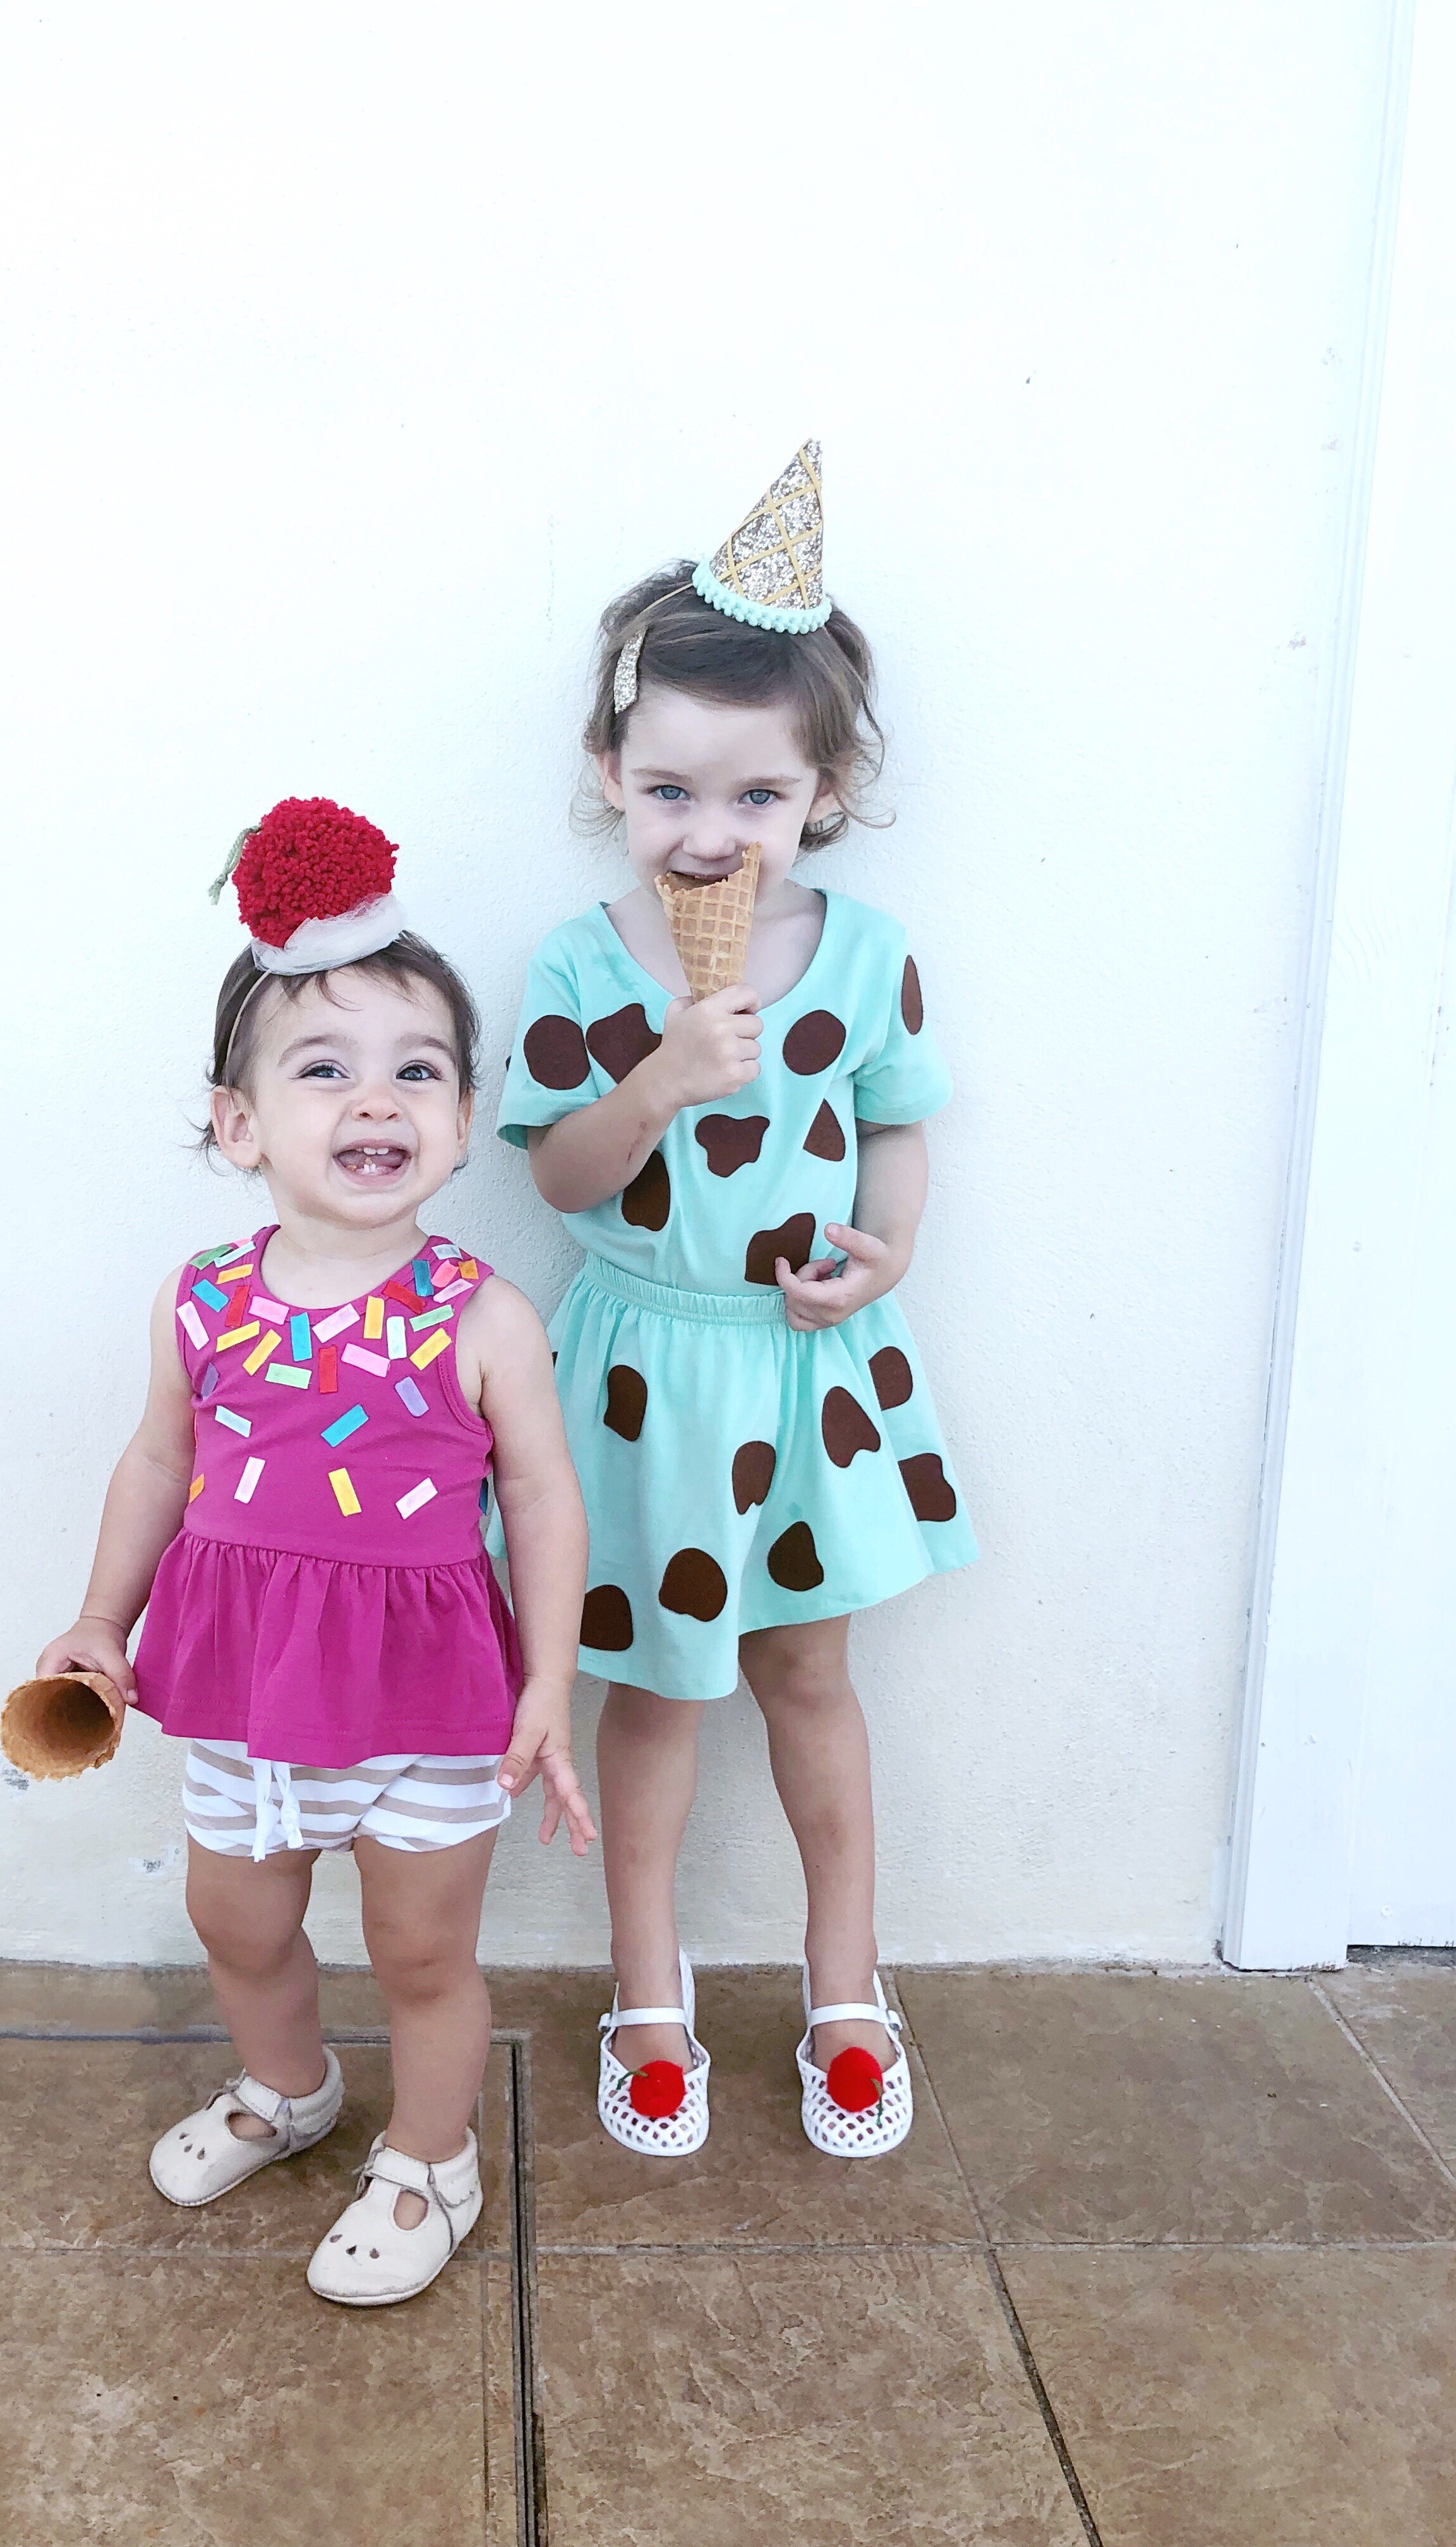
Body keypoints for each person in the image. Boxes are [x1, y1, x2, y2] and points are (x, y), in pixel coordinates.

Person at [39, 797, 591, 2303]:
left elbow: (544, 1501)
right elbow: (160, 1463)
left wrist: (548, 1685)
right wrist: (99, 1621)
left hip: (429, 1712)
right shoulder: (202, 1301)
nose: (377, 1100)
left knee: (421, 1954)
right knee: (236, 1920)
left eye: (418, 1069)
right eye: (325, 1068)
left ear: (461, 1118)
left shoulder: (484, 1318)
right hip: (242, 1696)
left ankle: (431, 2157)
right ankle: (290, 2090)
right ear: (240, 1123)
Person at [495, 443, 974, 2160]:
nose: (712, 837)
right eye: (671, 794)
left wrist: (889, 1248)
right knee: (655, 1694)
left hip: (805, 1367)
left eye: (757, 799)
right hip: (643, 1376)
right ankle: (647, 1984)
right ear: (609, 775)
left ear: (822, 793)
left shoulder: (867, 953)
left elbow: (898, 1124)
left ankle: (847, 1978)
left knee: (809, 1681)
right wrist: (659, 1082)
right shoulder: (580, 962)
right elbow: (556, 1175)